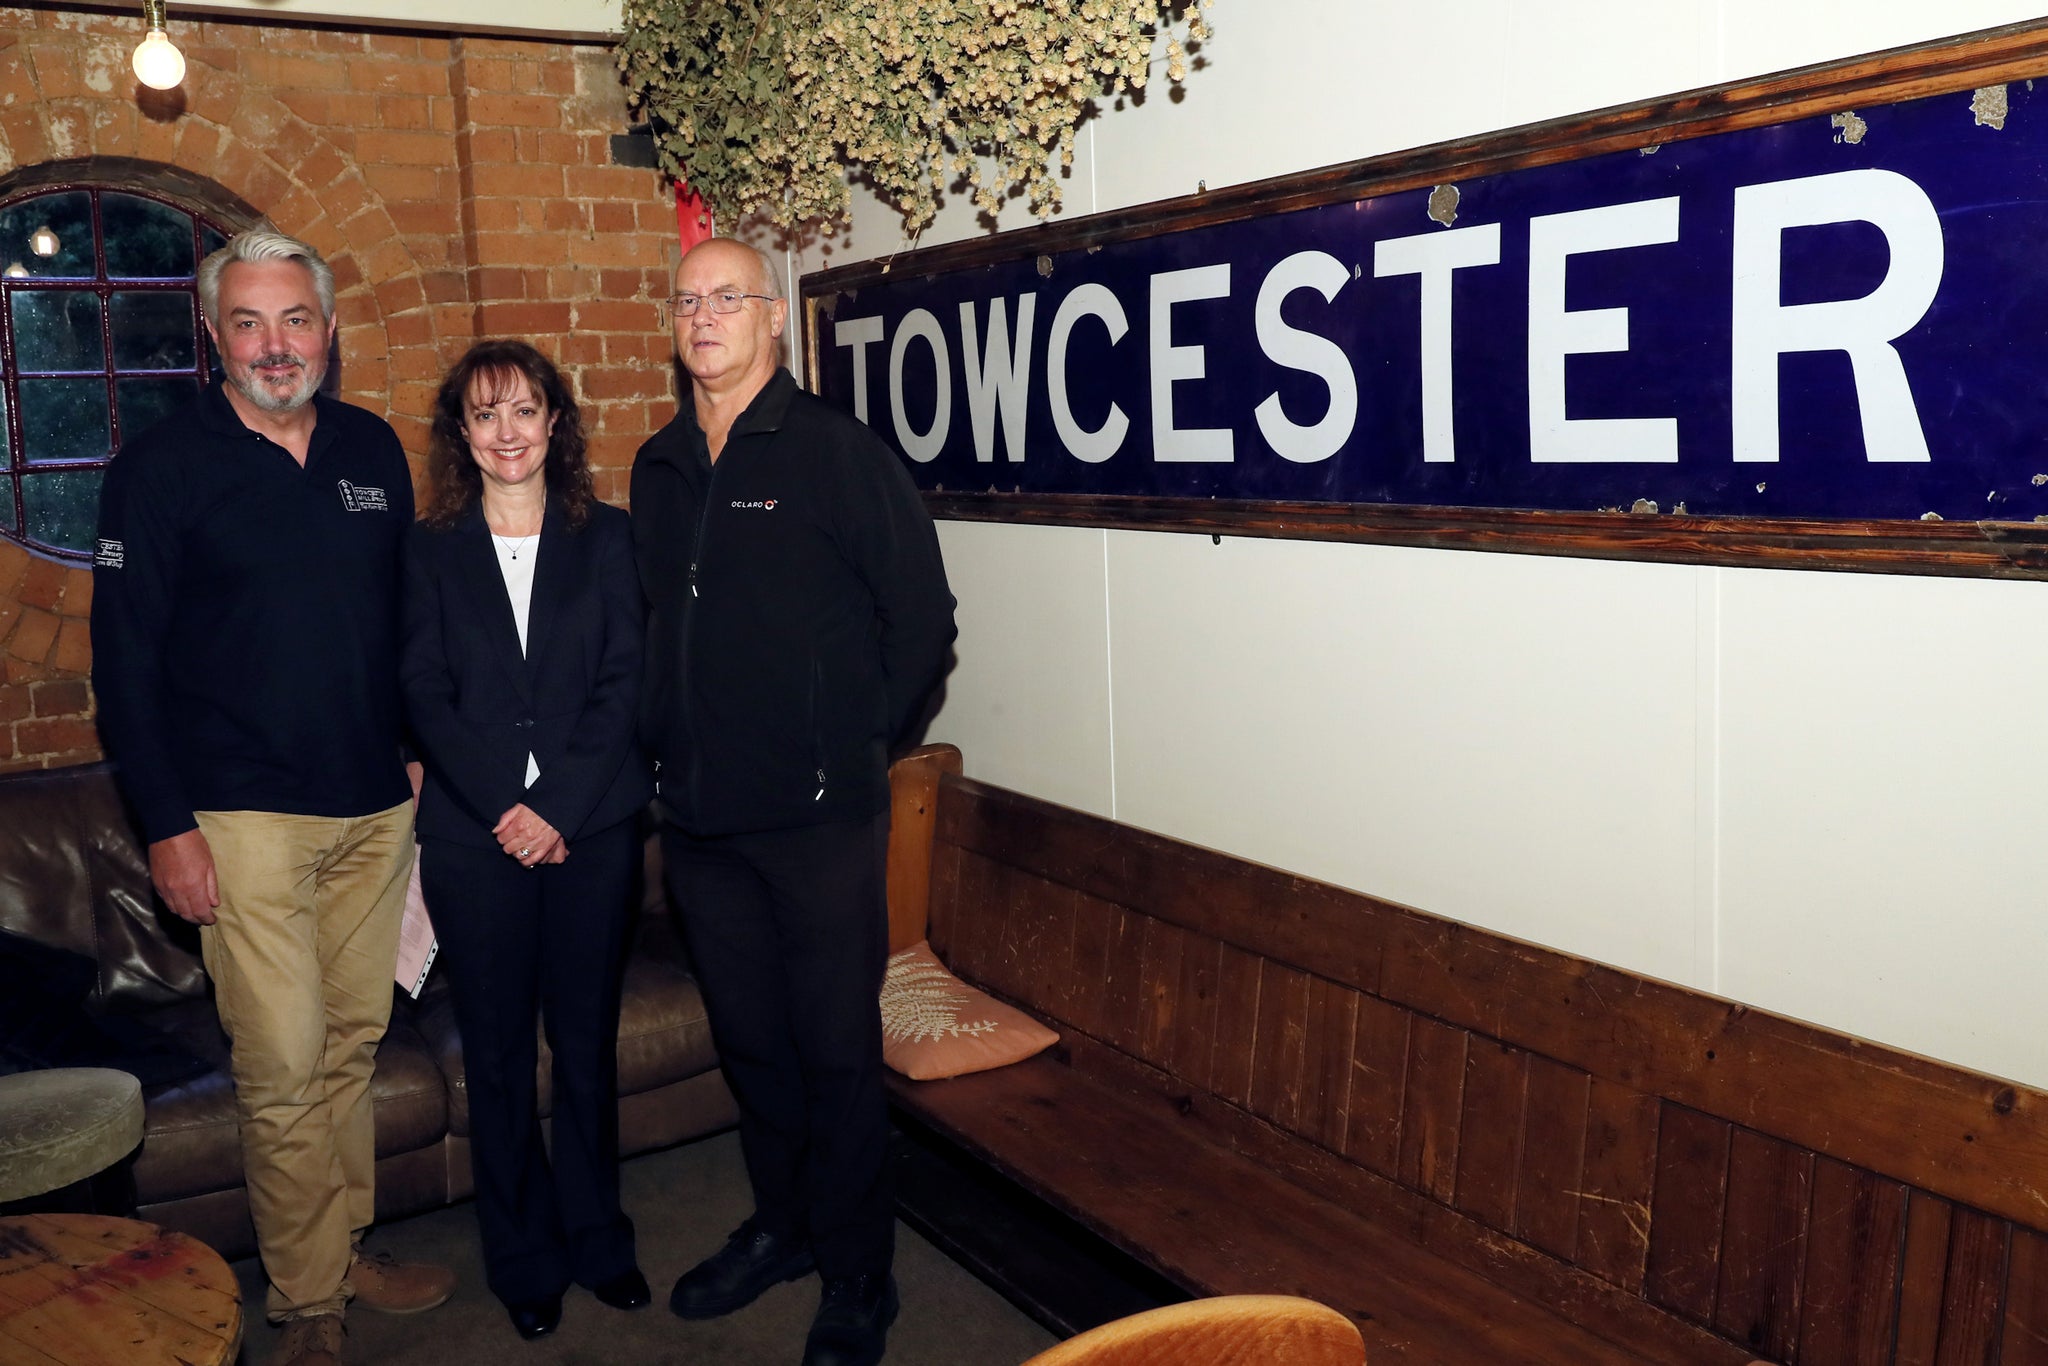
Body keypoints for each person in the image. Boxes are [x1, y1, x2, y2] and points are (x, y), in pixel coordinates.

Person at [91, 227, 454, 1366]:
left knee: (352, 1042)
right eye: (247, 322)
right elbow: (124, 665)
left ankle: (341, 1249)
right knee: (284, 1060)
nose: (274, 343)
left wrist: (410, 747)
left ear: (329, 329)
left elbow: (398, 621)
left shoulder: (370, 450)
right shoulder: (156, 470)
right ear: (213, 337)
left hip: (372, 808)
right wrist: (165, 825)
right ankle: (306, 1305)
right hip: (237, 818)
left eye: (295, 318)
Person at [632, 237, 956, 1366]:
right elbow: (658, 636)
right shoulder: (660, 464)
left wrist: (849, 748)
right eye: (687, 300)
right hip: (702, 829)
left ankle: (860, 1275)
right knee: (753, 1048)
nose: (703, 314)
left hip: (819, 824)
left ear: (773, 318)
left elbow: (921, 627)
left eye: (727, 297)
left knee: (831, 1051)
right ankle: (783, 1226)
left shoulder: (834, 454)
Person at [400, 339, 653, 1341]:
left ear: (556, 420)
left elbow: (626, 682)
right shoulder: (427, 548)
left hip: (592, 829)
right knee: (499, 1057)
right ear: (461, 434)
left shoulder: (612, 536)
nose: (505, 432)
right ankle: (524, 1256)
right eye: (482, 414)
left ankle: (600, 1240)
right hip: (473, 836)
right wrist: (510, 802)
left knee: (586, 1048)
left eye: (523, 410)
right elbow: (419, 688)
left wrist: (560, 809)